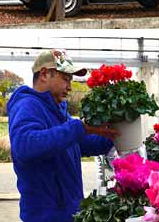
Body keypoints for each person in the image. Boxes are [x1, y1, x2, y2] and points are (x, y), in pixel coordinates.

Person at [8, 49, 117, 222]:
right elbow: (25, 146)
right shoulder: (28, 105)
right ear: (44, 74)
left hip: (67, 212)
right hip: (46, 216)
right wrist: (78, 127)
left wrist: (110, 135)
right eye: (66, 78)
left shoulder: (58, 111)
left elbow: (80, 144)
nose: (70, 86)